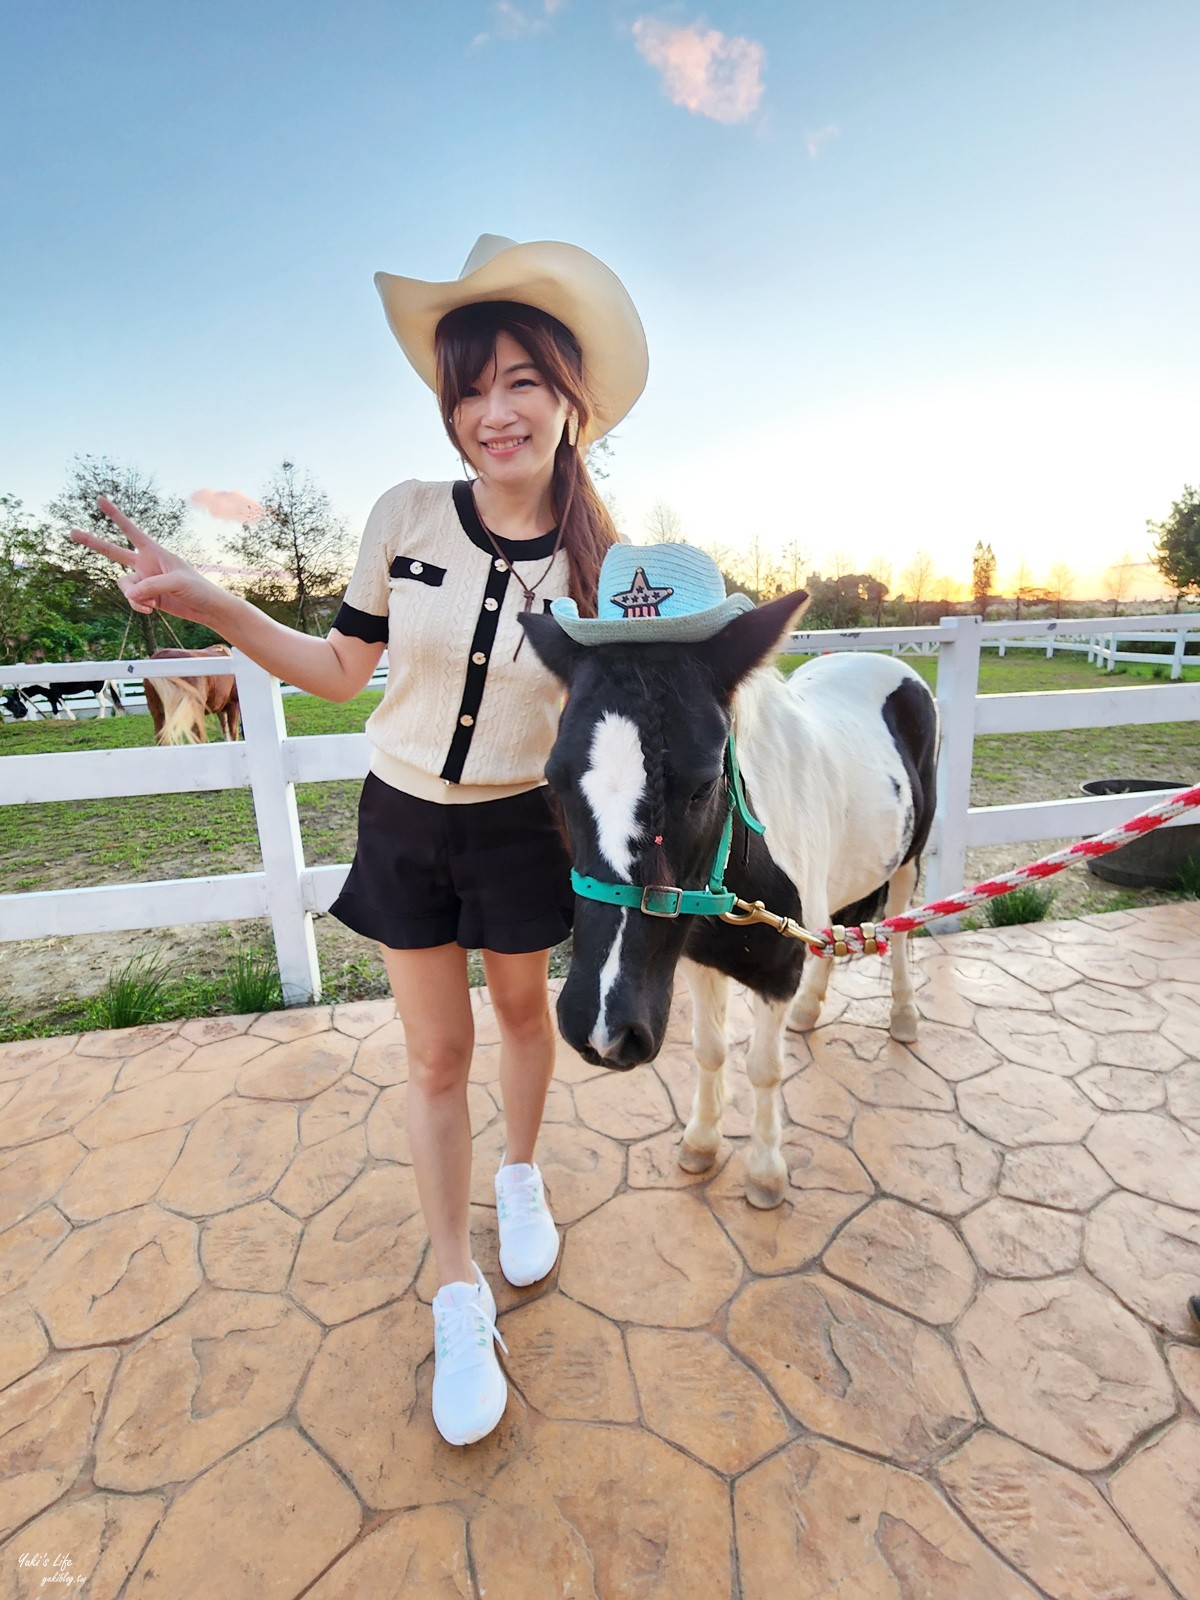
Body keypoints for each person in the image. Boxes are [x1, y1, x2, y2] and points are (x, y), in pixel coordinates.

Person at [72, 234, 649, 1447]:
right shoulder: (404, 513)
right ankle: (455, 1282)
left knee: (525, 1018)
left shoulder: (608, 565)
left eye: (521, 382)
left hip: (520, 833)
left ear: (568, 397)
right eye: (470, 388)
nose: (494, 413)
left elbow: (629, 726)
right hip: (402, 824)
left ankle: (523, 1174)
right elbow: (340, 671)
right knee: (436, 1060)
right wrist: (210, 599)